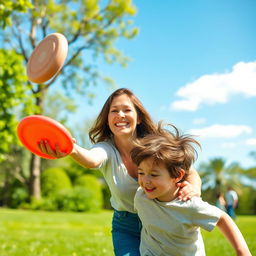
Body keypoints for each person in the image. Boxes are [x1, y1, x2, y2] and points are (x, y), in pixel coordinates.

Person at [38, 88, 202, 256]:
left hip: (162, 220)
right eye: (114, 111)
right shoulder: (106, 148)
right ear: (107, 119)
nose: (120, 115)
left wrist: (194, 189)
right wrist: (71, 149)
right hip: (126, 226)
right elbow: (92, 160)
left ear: (138, 118)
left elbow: (189, 172)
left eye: (127, 110)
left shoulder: (155, 146)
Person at [131, 123, 252, 256]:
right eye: (141, 173)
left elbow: (223, 219)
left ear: (177, 176)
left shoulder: (189, 205)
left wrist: (242, 251)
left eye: (154, 174)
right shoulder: (141, 197)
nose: (145, 181)